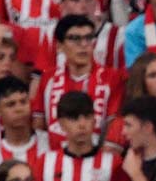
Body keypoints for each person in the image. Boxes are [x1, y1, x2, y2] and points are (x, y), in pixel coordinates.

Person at [33, 14, 122, 149]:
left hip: (96, 159)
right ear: (59, 46)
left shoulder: (112, 78)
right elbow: (38, 126)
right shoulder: (48, 79)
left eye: (88, 38)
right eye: (75, 38)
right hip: (54, 160)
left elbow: (114, 127)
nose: (84, 45)